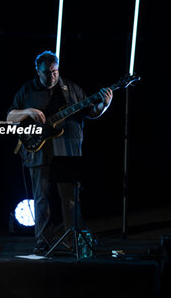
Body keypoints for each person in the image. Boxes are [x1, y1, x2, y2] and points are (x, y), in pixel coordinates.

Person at [7, 50, 113, 254]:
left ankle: (75, 242)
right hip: (38, 152)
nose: (52, 76)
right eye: (47, 72)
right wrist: (28, 112)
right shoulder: (27, 90)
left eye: (55, 71)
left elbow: (91, 112)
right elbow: (10, 117)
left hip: (68, 152)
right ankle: (43, 242)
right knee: (41, 199)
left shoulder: (71, 88)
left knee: (71, 198)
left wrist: (104, 105)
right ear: (37, 71)